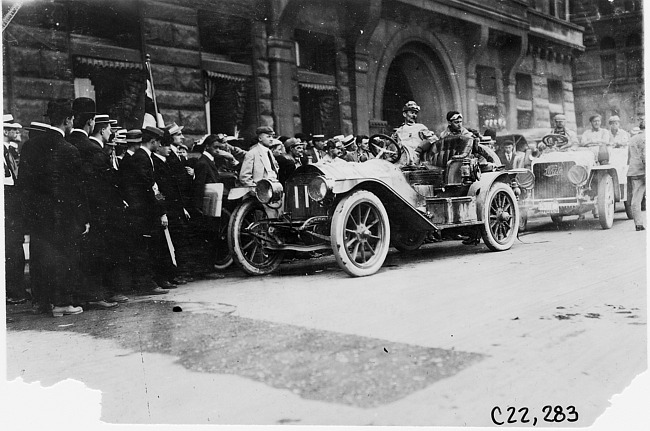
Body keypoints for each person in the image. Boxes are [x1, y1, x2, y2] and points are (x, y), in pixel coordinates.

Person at [17, 99, 90, 317]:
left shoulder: (30, 147)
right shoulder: (69, 149)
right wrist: (83, 218)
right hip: (63, 216)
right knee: (65, 257)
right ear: (68, 120)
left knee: (40, 256)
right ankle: (62, 303)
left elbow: (23, 185)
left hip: (37, 216)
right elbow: (77, 189)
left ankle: (41, 303)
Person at [120, 126, 168, 295]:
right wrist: (162, 209)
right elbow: (151, 187)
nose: (160, 145)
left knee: (146, 247)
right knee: (144, 248)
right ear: (152, 142)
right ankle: (147, 283)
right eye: (159, 142)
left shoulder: (144, 157)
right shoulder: (142, 158)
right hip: (143, 212)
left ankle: (150, 281)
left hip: (144, 210)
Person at [4, 114, 27, 304]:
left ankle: (16, 289)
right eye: (14, 129)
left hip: (14, 208)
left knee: (15, 247)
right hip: (8, 208)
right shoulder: (4, 154)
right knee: (11, 249)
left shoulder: (9, 152)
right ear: (5, 131)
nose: (18, 132)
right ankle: (13, 291)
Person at [392, 101, 437, 165]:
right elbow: (390, 144)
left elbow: (433, 139)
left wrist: (420, 148)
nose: (414, 115)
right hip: (399, 159)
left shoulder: (420, 127)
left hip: (413, 160)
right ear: (404, 114)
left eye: (415, 113)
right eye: (412, 113)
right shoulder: (399, 130)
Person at [627, 118, 645, 231]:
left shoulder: (633, 138)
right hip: (644, 170)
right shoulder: (645, 137)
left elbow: (628, 157)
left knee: (636, 198)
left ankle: (638, 224)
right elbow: (645, 155)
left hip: (634, 170)